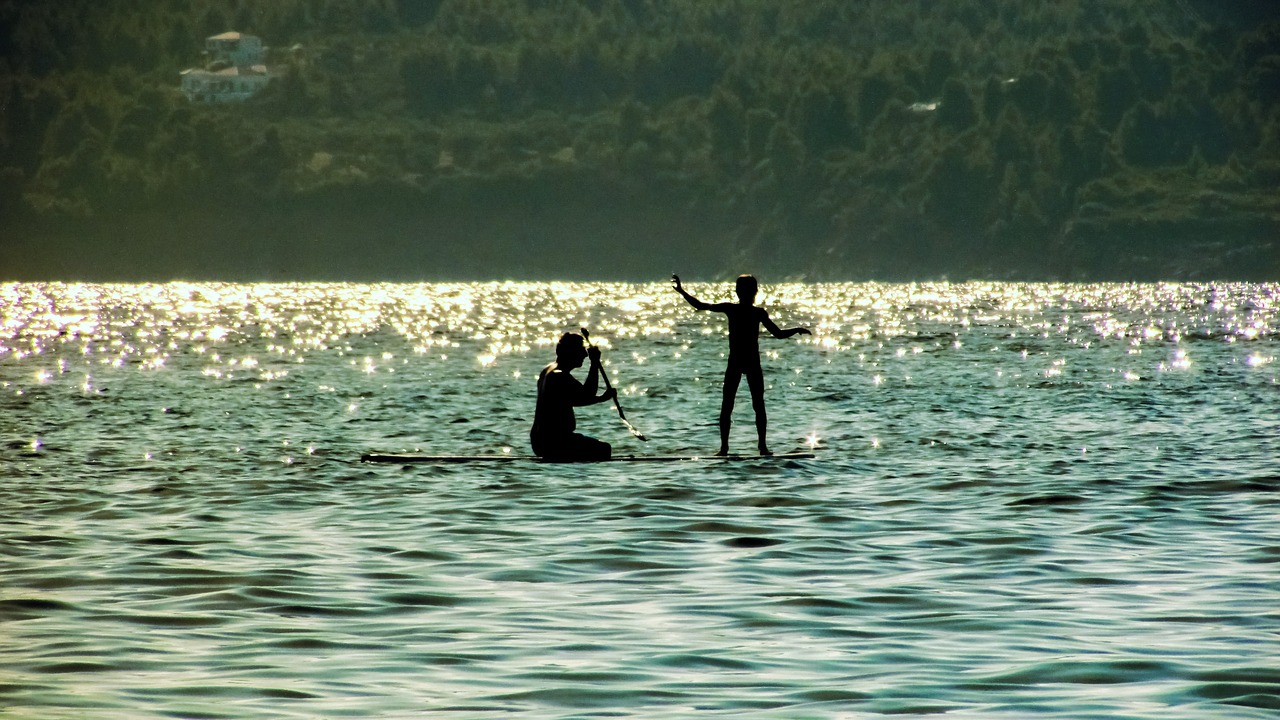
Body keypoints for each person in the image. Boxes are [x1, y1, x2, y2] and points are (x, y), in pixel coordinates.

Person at [673, 274, 810, 456]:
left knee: (738, 405)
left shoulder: (743, 311)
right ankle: (750, 448)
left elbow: (701, 306)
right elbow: (778, 334)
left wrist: (796, 330)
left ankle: (734, 448)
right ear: (755, 291)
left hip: (743, 362)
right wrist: (796, 330)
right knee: (748, 405)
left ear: (740, 291)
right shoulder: (747, 311)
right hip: (744, 362)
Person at [530, 332, 617, 461]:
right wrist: (594, 364)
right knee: (604, 449)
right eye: (581, 350)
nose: (585, 354)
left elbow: (573, 399)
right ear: (570, 352)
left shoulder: (548, 370)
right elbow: (587, 394)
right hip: (555, 442)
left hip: (541, 441)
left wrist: (601, 398)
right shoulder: (558, 376)